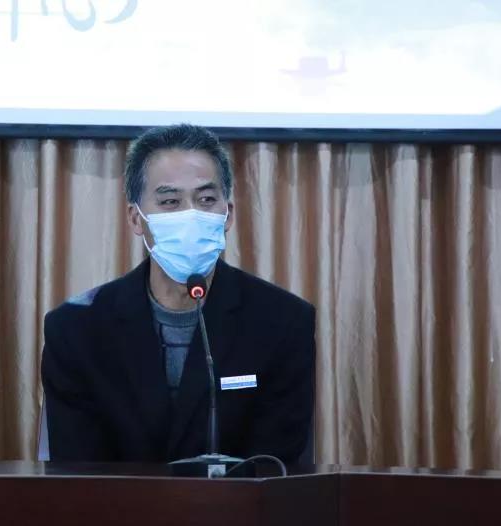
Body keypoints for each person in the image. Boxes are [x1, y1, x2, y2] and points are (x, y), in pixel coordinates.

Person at [41, 124, 315, 463]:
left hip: (236, 498)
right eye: (170, 201)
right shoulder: (76, 330)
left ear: (227, 214)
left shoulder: (283, 322)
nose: (190, 215)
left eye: (206, 200)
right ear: (136, 219)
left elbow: (273, 467)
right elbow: (79, 470)